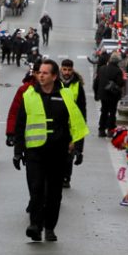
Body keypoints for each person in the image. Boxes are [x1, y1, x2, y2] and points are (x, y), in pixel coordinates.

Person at [12, 59, 89, 242]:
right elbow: (20, 124)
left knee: (54, 193)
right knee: (36, 189)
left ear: (54, 76)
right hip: (35, 152)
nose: (41, 75)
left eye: (45, 73)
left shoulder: (66, 95)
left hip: (58, 151)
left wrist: (78, 148)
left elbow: (77, 122)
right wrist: (18, 151)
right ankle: (35, 226)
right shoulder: (29, 95)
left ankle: (49, 227)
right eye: (39, 72)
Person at [59, 59, 87, 189]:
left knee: (68, 153)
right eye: (64, 69)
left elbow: (82, 110)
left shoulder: (77, 85)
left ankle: (66, 177)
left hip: (71, 126)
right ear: (61, 69)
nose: (67, 72)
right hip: (57, 124)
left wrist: (79, 148)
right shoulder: (55, 82)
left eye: (69, 70)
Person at [93, 53, 125, 137]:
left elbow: (96, 82)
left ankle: (101, 129)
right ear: (117, 62)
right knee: (112, 112)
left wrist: (96, 94)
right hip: (113, 95)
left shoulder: (102, 69)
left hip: (103, 94)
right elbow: (120, 83)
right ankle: (110, 130)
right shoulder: (118, 71)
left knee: (104, 111)